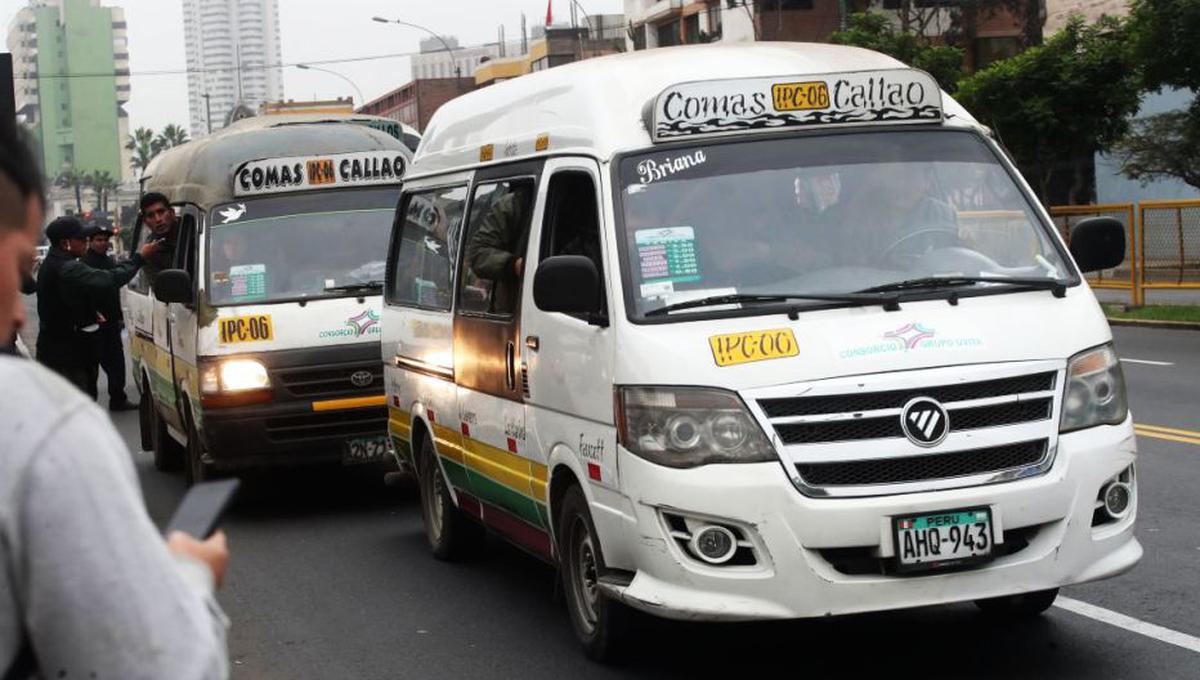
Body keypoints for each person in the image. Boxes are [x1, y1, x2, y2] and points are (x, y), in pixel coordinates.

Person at [1, 122, 231, 679]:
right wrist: (191, 572)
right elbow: (161, 665)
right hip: (69, 347)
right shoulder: (40, 428)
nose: (14, 314)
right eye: (10, 268)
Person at [35, 216, 157, 395]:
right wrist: (139, 258)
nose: (86, 242)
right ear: (65, 243)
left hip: (59, 348)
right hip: (64, 354)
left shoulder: (54, 263)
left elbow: (69, 299)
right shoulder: (67, 267)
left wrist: (90, 313)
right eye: (81, 239)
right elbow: (108, 280)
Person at [83, 223, 135, 411]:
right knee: (91, 368)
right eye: (99, 240)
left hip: (112, 323)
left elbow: (113, 291)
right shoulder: (84, 263)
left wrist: (120, 316)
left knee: (116, 363)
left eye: (106, 240)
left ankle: (118, 398)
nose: (103, 243)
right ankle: (88, 406)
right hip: (93, 324)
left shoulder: (109, 261)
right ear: (90, 242)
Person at [139, 192, 178, 284]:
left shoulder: (191, 229)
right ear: (145, 221)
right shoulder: (151, 252)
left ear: (172, 213)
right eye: (151, 215)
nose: (158, 219)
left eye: (161, 212)